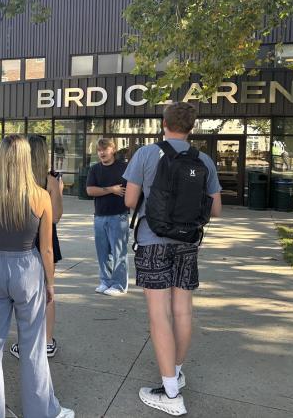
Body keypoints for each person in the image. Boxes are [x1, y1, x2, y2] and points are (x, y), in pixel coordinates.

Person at [124, 102, 222, 416]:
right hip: (187, 243)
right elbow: (216, 209)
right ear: (192, 127)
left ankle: (170, 393)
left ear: (163, 122)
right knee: (182, 311)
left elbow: (129, 200)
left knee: (159, 315)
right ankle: (176, 372)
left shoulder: (146, 154)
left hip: (153, 241)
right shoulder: (203, 159)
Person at [0, 135, 74, 418]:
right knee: (32, 345)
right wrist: (50, 283)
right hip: (27, 270)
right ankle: (40, 411)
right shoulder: (41, 196)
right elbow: (46, 249)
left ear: (3, 158)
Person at [10, 134, 64, 359]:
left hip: (20, 239)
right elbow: (55, 217)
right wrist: (57, 191)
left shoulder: (14, 179)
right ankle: (47, 341)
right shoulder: (50, 181)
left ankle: (25, 343)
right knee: (47, 291)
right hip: (46, 240)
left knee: (23, 294)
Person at [86, 138, 129, 296]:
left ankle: (119, 285)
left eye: (105, 149)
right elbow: (90, 191)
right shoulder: (94, 169)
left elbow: (129, 189)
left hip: (119, 216)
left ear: (113, 150)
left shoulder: (124, 168)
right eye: (99, 150)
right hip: (99, 217)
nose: (102, 152)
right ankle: (106, 281)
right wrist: (111, 189)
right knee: (103, 253)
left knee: (119, 253)